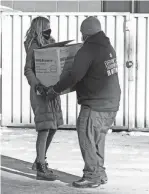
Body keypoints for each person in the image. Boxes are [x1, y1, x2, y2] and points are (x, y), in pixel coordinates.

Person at [46, 16, 121, 188]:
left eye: (82, 33)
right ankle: (99, 173)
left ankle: (92, 175)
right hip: (111, 104)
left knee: (86, 138)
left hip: (95, 104)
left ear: (86, 33)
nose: (81, 37)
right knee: (97, 139)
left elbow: (75, 75)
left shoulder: (88, 50)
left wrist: (55, 89)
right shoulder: (107, 47)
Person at [24, 16, 63, 180]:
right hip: (40, 92)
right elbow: (28, 69)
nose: (49, 30)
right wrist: (36, 84)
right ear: (40, 28)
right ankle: (41, 166)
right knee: (44, 128)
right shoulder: (33, 46)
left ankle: (39, 160)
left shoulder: (50, 44)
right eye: (46, 27)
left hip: (52, 91)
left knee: (53, 127)